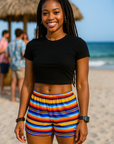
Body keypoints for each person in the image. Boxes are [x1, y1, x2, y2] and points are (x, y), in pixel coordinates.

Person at [14, 0, 90, 144]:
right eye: (45, 13)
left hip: (66, 108)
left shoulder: (78, 45)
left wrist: (83, 119)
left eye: (56, 12)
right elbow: (28, 84)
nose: (50, 17)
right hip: (37, 108)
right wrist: (20, 118)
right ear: (40, 16)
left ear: (65, 14)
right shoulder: (32, 46)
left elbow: (82, 84)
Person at [6, 29, 26, 102]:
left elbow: (6, 54)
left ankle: (13, 98)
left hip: (13, 64)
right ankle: (21, 98)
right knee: (21, 81)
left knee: (13, 81)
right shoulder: (22, 43)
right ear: (21, 34)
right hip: (20, 65)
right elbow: (24, 54)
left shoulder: (11, 42)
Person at [0, 30, 9, 95]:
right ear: (5, 34)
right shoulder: (2, 41)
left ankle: (2, 89)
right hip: (2, 60)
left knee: (4, 75)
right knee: (2, 76)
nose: (8, 34)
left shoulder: (6, 41)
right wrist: (7, 49)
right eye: (7, 33)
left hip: (6, 60)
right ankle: (2, 90)